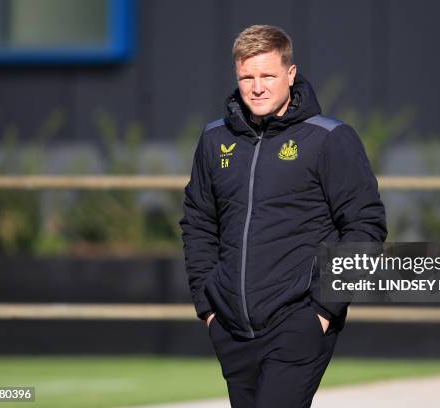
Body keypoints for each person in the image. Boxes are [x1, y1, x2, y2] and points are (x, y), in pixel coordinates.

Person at [180, 24, 387, 407]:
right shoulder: (214, 140)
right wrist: (208, 308)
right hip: (231, 329)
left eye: (267, 76)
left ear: (290, 74)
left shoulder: (328, 138)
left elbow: (365, 225)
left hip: (299, 325)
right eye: (247, 77)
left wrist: (323, 311)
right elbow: (198, 224)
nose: (257, 87)